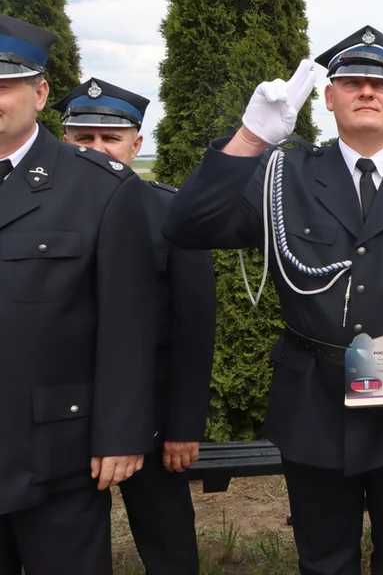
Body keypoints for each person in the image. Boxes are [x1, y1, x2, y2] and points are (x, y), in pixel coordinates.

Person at [162, 25, 383, 575]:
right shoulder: (282, 173)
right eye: (351, 81)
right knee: (323, 559)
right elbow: (188, 226)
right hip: (313, 405)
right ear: (328, 97)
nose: (367, 91)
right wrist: (249, 138)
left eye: (381, 83)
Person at [0, 15, 157, 573]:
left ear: (39, 93)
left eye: (4, 84)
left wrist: (121, 435)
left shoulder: (99, 188)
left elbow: (127, 326)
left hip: (56, 453)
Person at [53, 78, 217, 575]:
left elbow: (194, 326)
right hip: (63, 419)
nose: (97, 149)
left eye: (111, 139)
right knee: (66, 547)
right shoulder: (37, 210)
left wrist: (184, 426)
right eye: (84, 138)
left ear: (136, 144)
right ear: (64, 140)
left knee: (168, 545)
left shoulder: (171, 214)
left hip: (154, 416)